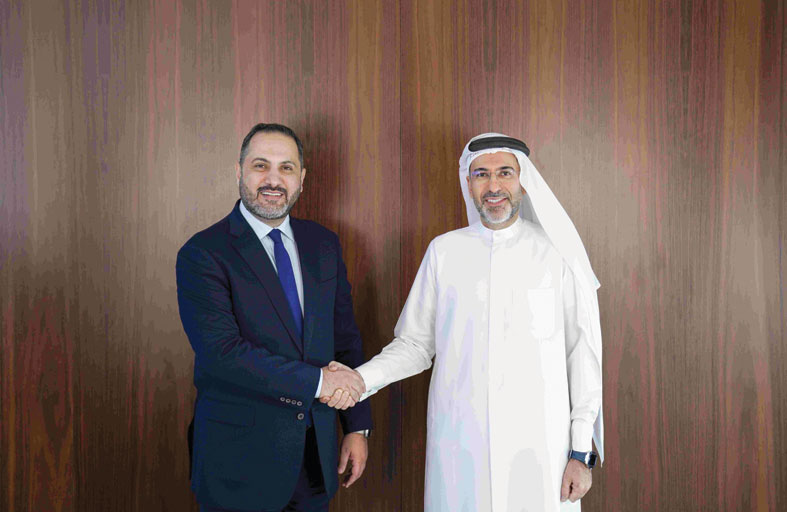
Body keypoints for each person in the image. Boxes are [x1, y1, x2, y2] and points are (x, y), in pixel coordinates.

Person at [327, 132, 604, 511]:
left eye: (505, 173)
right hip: (459, 445)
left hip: (542, 449)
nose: (494, 186)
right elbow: (415, 345)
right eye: (481, 174)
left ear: (523, 181)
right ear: (469, 183)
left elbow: (582, 355)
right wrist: (360, 381)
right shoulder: (444, 251)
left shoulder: (557, 253)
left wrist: (581, 451)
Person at [176, 123, 372, 512]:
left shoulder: (324, 245)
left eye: (286, 168)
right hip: (238, 463)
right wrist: (321, 382)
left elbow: (345, 338)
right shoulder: (203, 253)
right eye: (260, 165)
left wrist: (356, 426)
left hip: (315, 459)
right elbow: (223, 353)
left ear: (302, 178)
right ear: (239, 171)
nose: (273, 180)